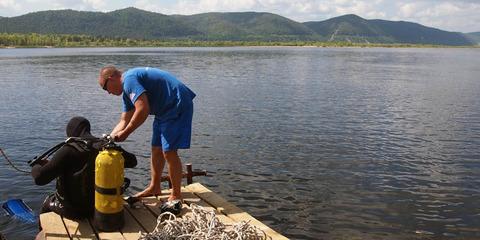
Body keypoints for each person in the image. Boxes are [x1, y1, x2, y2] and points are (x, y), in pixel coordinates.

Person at [98, 66, 195, 206]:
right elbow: (124, 120)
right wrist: (110, 137)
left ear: (111, 78)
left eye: (105, 88)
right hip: (163, 110)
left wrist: (125, 133)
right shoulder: (127, 91)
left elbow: (143, 110)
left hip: (176, 103)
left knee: (169, 152)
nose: (108, 93)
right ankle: (155, 187)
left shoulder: (129, 80)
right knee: (156, 149)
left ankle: (176, 194)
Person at [31, 116, 137, 219]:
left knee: (47, 202)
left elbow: (40, 179)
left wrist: (37, 165)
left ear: (71, 132)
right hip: (104, 207)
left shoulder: (68, 150)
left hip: (75, 211)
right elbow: (133, 162)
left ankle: (41, 234)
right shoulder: (106, 146)